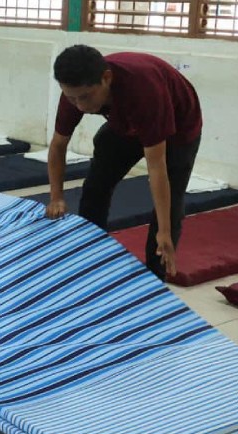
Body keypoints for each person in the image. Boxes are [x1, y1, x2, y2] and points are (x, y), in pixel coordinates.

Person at [45, 45, 202, 279]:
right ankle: (90, 255)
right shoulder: (75, 91)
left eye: (86, 97)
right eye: (71, 98)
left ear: (106, 79)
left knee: (167, 208)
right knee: (96, 184)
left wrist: (165, 232)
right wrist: (56, 198)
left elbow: (157, 167)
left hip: (178, 129)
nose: (80, 106)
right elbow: (58, 145)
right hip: (124, 125)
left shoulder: (143, 92)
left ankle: (155, 277)